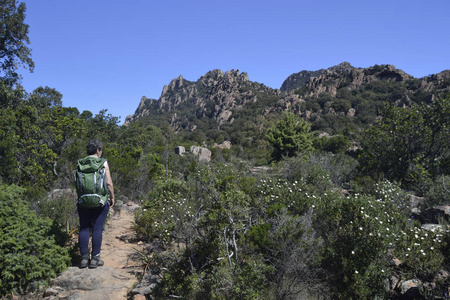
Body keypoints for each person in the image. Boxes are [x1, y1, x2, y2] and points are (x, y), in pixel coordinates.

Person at [77, 139, 115, 268]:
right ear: (98, 150)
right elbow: (109, 183)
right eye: (101, 150)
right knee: (97, 228)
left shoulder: (81, 163)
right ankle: (95, 259)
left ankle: (83, 259)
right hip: (100, 200)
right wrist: (112, 197)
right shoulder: (102, 162)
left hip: (83, 200)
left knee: (84, 228)